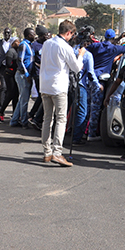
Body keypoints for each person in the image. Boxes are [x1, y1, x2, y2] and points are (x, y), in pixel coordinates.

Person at [40, 20, 85, 167]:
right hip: (58, 87)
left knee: (47, 119)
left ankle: (47, 152)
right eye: (71, 34)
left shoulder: (47, 43)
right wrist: (81, 55)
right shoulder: (65, 47)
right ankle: (57, 152)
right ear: (68, 33)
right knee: (60, 119)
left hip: (45, 85)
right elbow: (76, 67)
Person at [86, 25, 125, 141]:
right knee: (95, 108)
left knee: (86, 106)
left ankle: (82, 131)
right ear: (113, 38)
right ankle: (91, 134)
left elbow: (87, 50)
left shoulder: (96, 46)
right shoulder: (114, 49)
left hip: (89, 78)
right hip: (100, 81)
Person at [71, 28, 103, 146]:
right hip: (81, 84)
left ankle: (72, 133)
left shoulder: (72, 50)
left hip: (69, 84)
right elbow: (90, 73)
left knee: (73, 110)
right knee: (82, 112)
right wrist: (97, 85)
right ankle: (76, 138)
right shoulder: (88, 55)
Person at [10, 28, 35, 128]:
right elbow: (20, 60)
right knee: (24, 100)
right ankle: (24, 121)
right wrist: (27, 74)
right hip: (23, 75)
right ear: (28, 35)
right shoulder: (23, 45)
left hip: (26, 74)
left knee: (22, 99)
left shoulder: (29, 45)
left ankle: (14, 120)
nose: (34, 35)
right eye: (32, 34)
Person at [0, 28, 16, 121]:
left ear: (11, 34)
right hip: (2, 67)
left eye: (8, 33)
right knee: (3, 87)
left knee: (12, 90)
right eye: (5, 33)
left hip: (11, 68)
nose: (7, 34)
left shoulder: (13, 43)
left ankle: (13, 112)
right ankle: (0, 108)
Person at [0, 39, 20, 122]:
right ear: (12, 43)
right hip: (9, 74)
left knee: (16, 95)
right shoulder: (11, 51)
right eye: (16, 42)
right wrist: (17, 64)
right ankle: (1, 112)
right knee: (10, 93)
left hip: (14, 75)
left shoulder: (17, 51)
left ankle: (15, 114)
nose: (18, 43)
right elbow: (8, 63)